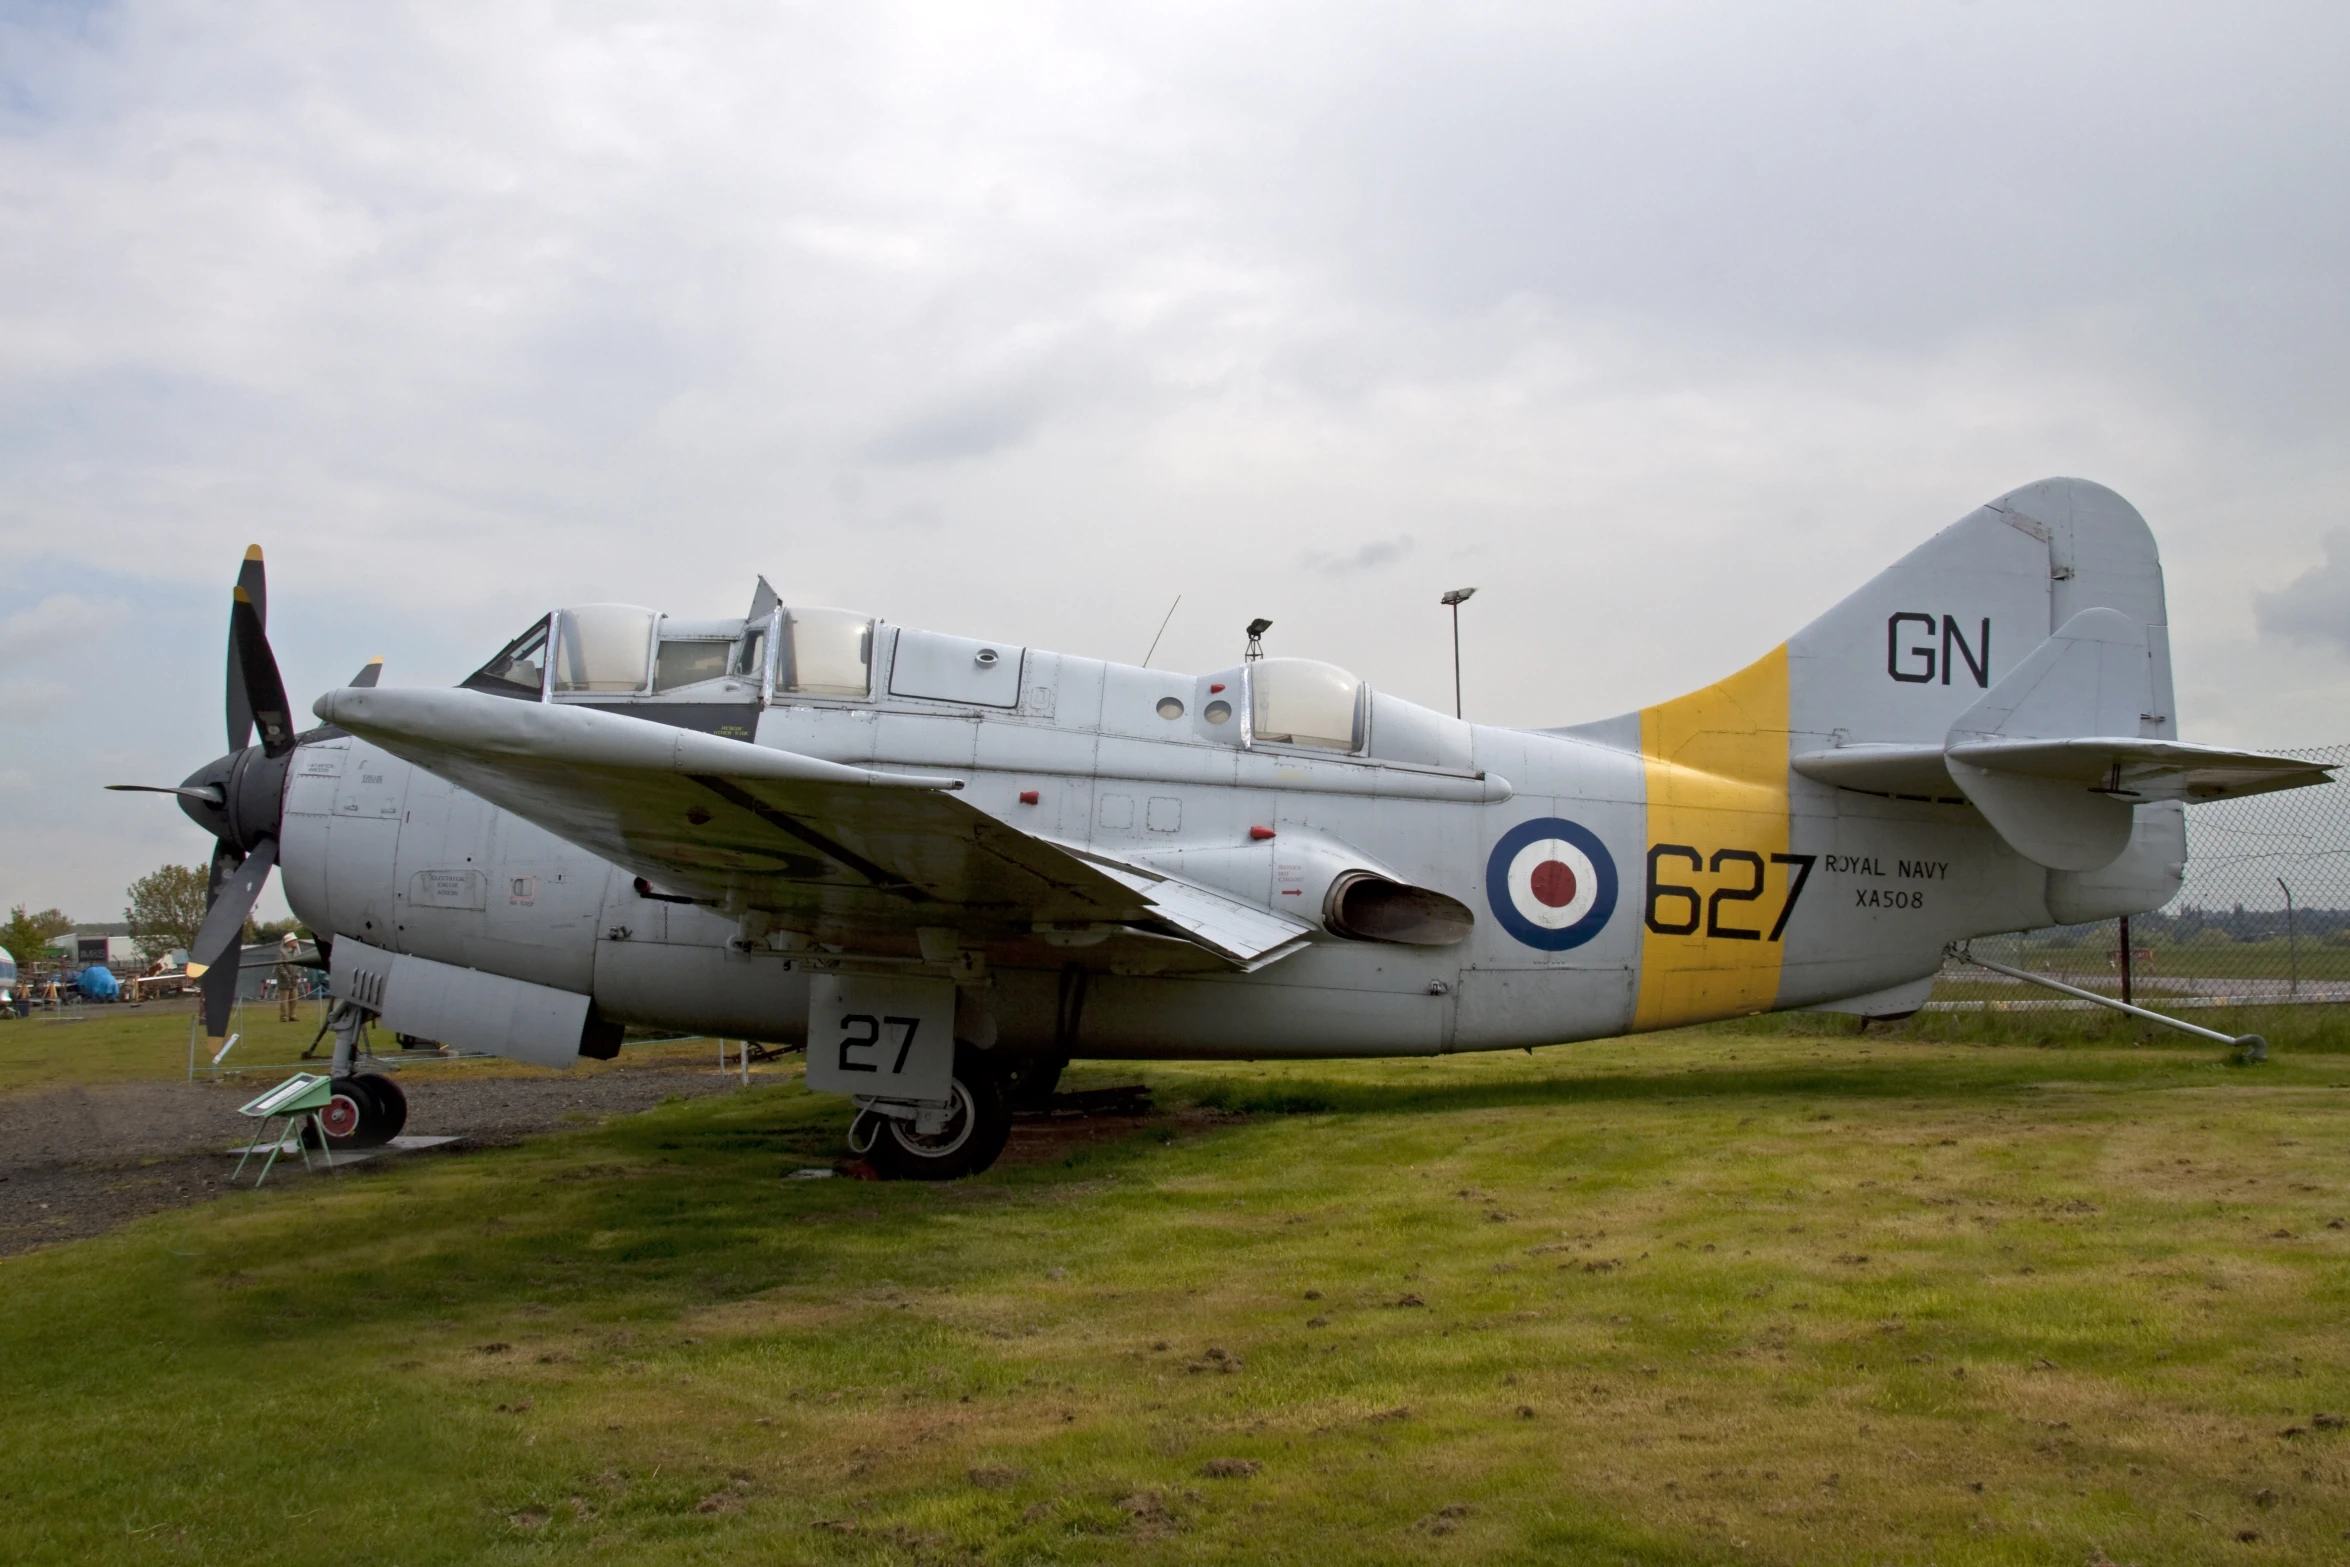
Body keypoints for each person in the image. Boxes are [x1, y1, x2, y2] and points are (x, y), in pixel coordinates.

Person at [275, 932, 303, 1022]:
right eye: (294, 940)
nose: (295, 942)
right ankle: (283, 1016)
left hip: (294, 980)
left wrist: (297, 975)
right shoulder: (281, 952)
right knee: (284, 999)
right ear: (288, 941)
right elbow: (280, 966)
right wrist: (287, 976)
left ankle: (292, 1015)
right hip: (284, 980)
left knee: (294, 998)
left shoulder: (296, 952)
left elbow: (299, 964)